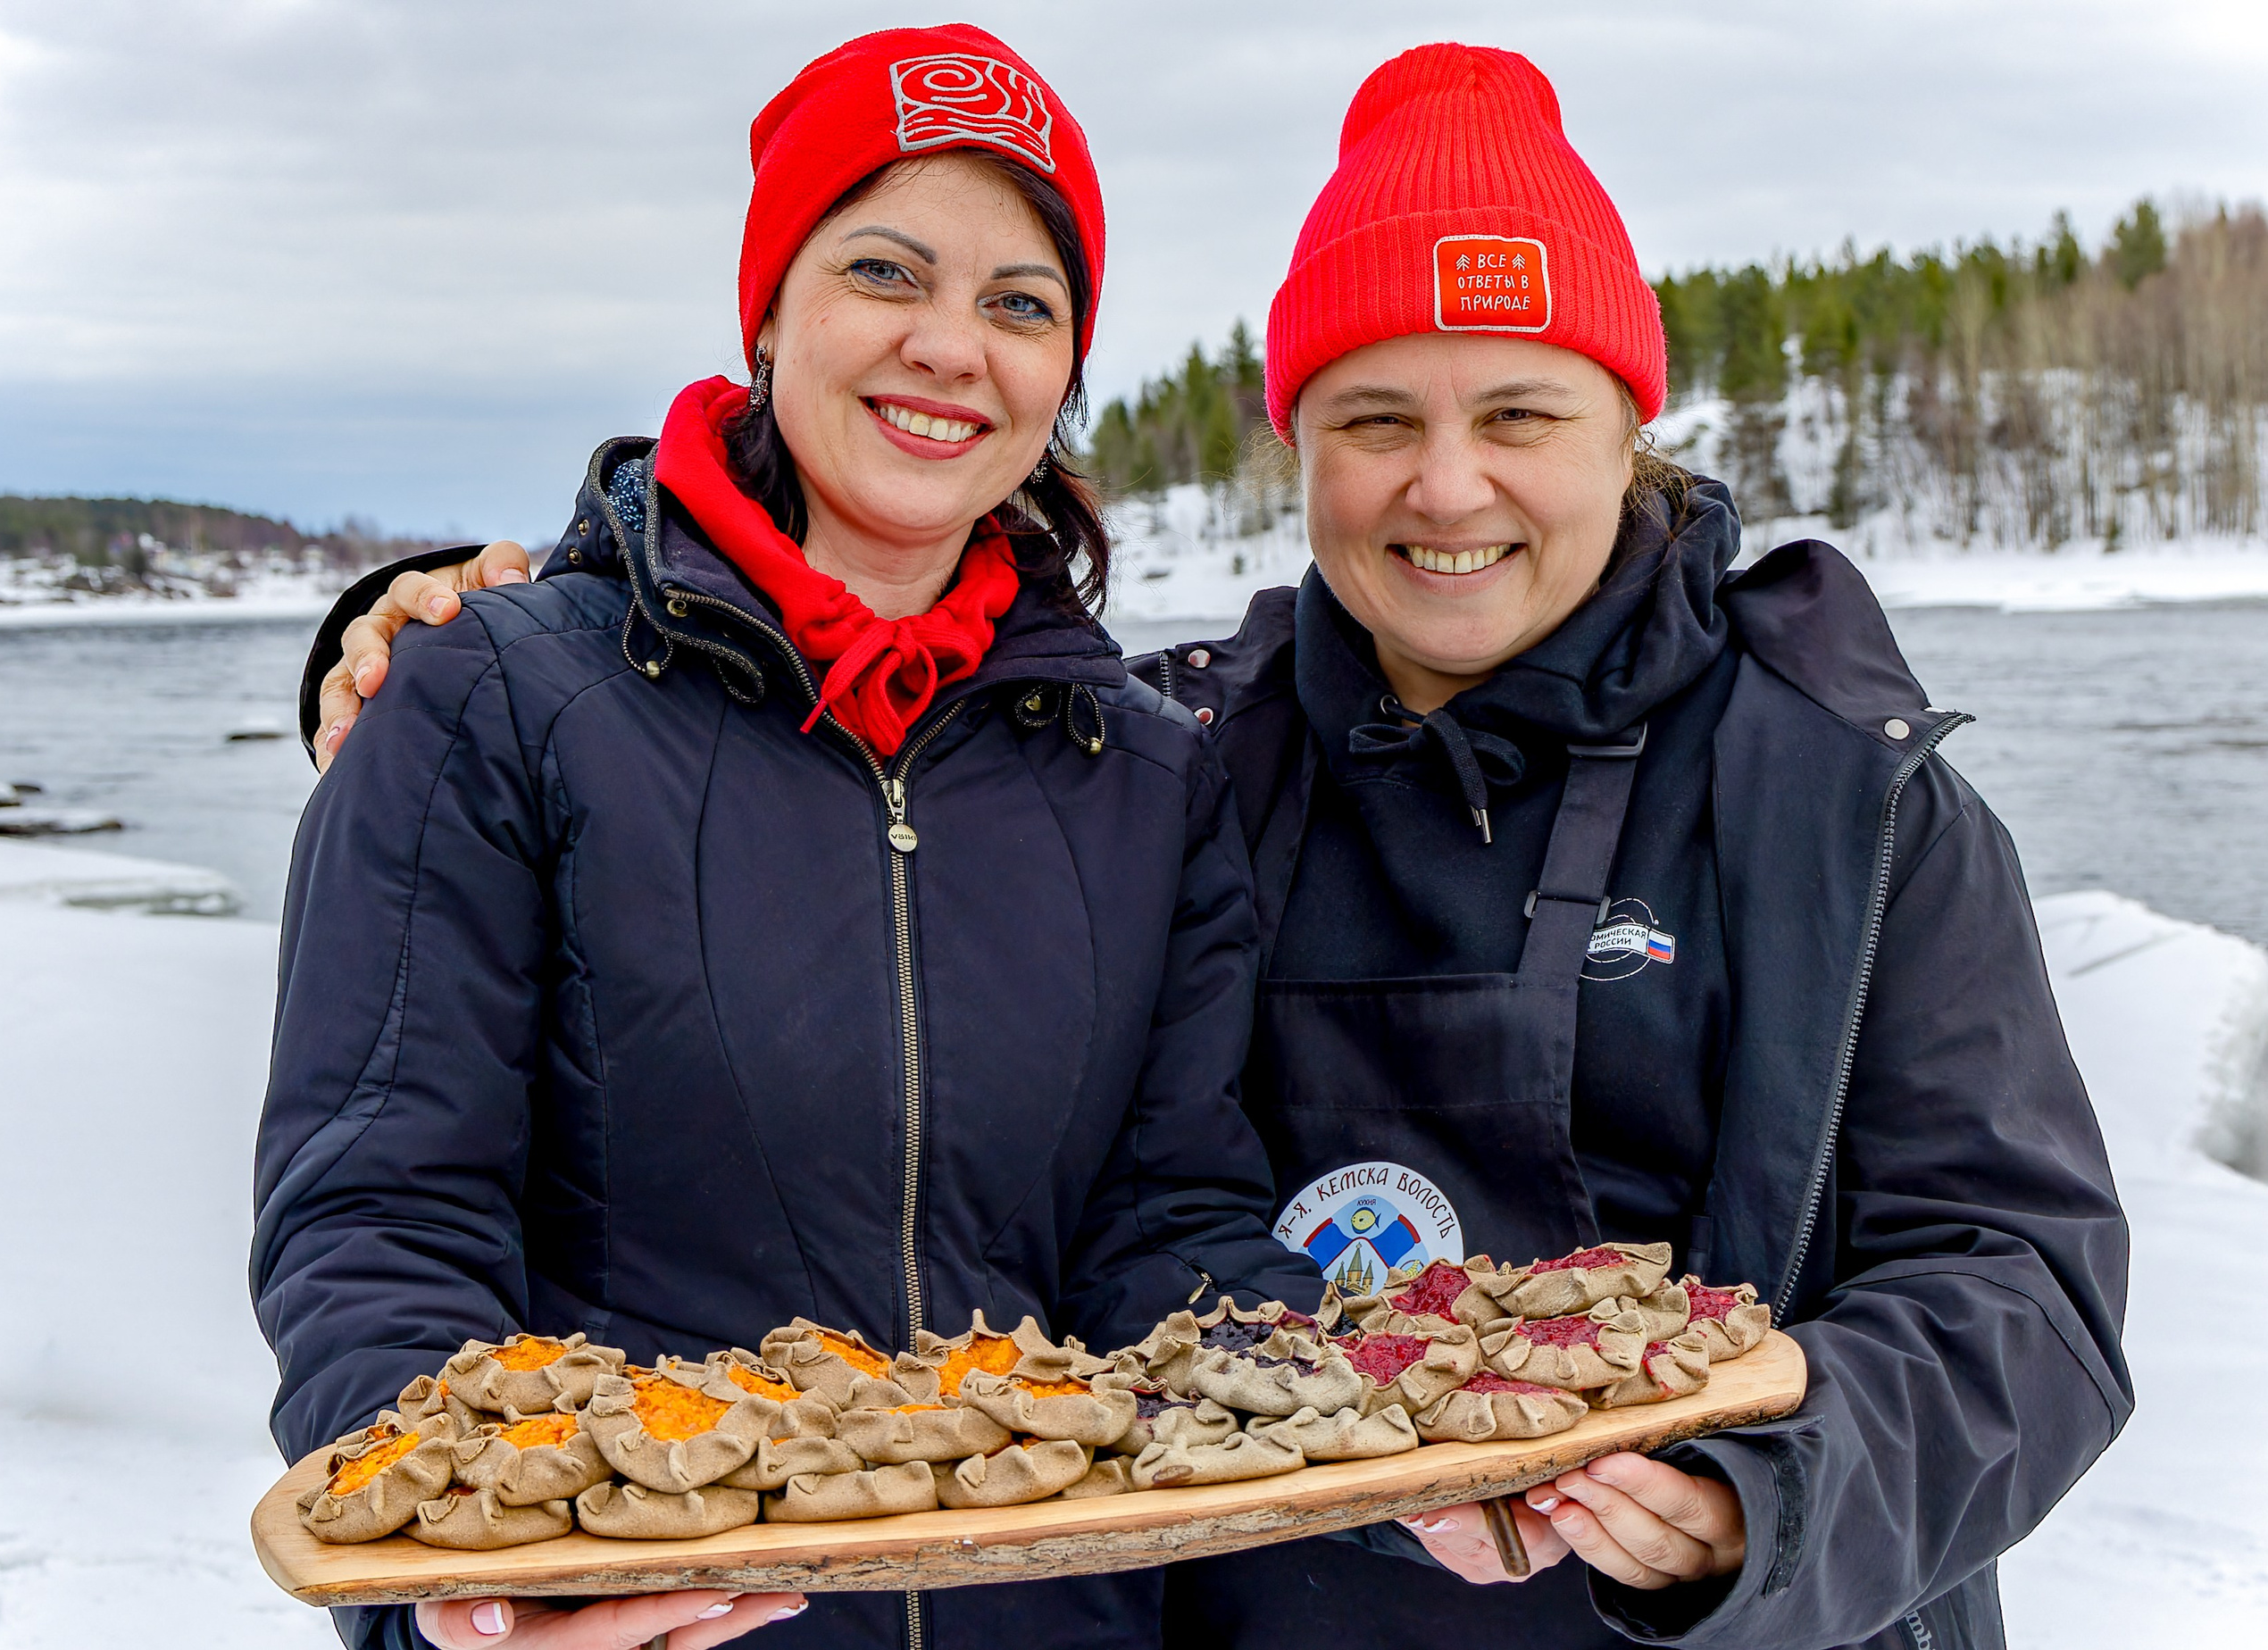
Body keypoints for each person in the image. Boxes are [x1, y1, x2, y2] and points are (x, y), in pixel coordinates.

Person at [307, 42, 2131, 1650]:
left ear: (1628, 429)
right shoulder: (1181, 745)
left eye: (1518, 413)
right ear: (1295, 450)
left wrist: (1762, 1497)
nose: (1444, 486)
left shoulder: (1844, 801)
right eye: (1371, 421)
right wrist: (432, 615)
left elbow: (2021, 1289)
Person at [253, 26, 1314, 1650]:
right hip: (641, 1618)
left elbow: (1164, 1219)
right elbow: (381, 1211)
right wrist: (458, 1573)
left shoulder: (1144, 774)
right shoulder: (495, 697)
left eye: (1021, 304)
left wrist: (1346, 1407)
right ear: (770, 311)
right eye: (887, 271)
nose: (953, 347)